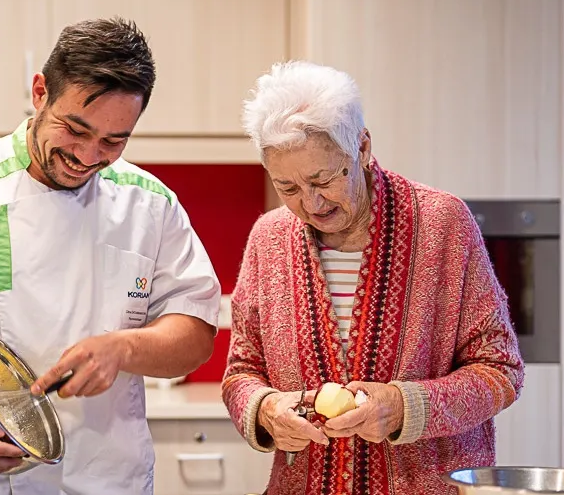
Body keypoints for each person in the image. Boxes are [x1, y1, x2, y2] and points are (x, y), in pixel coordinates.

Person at [0, 17, 221, 495]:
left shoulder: (150, 204)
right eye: (75, 129)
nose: (88, 156)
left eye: (113, 141)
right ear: (39, 93)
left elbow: (196, 333)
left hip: (103, 474)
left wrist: (124, 348)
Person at [222, 61, 525, 494]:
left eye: (323, 179)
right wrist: (265, 409)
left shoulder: (443, 224)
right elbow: (241, 372)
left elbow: (501, 370)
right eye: (287, 188)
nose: (311, 203)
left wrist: (404, 407)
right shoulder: (268, 239)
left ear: (362, 148)